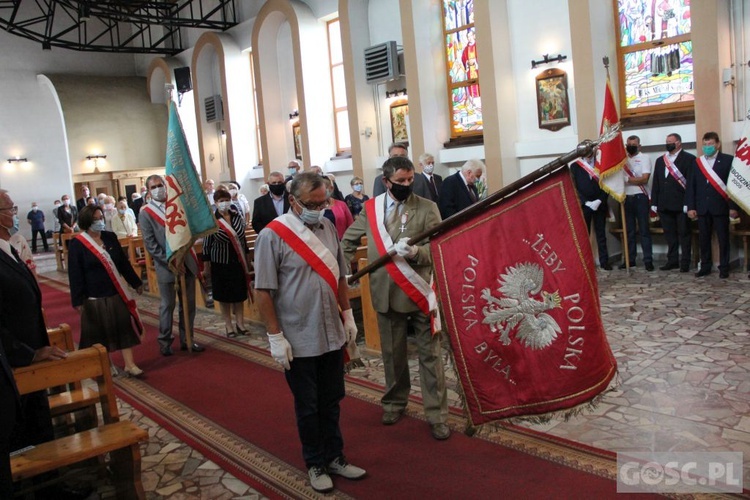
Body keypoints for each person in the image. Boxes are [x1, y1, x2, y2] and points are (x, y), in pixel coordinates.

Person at [254, 171, 366, 493]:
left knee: (332, 399)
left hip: (331, 331)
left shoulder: (329, 226)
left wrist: (348, 316)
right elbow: (263, 290)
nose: (320, 208)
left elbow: (341, 277)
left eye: (324, 201)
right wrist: (275, 336)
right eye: (312, 203)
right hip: (298, 335)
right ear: (293, 201)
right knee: (309, 404)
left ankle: (335, 456)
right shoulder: (272, 235)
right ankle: (315, 462)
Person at [342, 156, 450, 441]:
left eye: (409, 179)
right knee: (393, 356)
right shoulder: (371, 209)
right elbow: (348, 242)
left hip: (419, 291)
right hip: (386, 293)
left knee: (430, 356)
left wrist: (417, 253)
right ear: (386, 181)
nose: (406, 184)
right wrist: (337, 272)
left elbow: (437, 248)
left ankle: (437, 414)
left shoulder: (427, 208)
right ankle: (394, 403)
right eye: (400, 181)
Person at [0, 189, 68, 467]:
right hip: (15, 360)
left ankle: (50, 483)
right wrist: (26, 353)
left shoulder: (10, 248)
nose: (14, 214)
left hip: (32, 348)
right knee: (23, 434)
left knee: (39, 422)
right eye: (9, 209)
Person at [68, 206, 145, 377]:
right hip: (93, 295)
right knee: (99, 333)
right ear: (87, 221)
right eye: (96, 218)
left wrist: (136, 282)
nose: (100, 221)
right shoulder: (78, 244)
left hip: (115, 291)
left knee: (123, 328)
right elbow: (75, 274)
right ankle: (106, 365)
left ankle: (130, 364)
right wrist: (77, 300)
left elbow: (123, 264)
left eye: (101, 217)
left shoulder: (110, 237)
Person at [139, 175, 204, 356]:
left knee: (188, 305)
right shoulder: (146, 213)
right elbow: (151, 244)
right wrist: (171, 262)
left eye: (161, 185)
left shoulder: (176, 206)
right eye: (154, 187)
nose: (159, 189)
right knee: (167, 305)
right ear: (149, 191)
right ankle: (165, 342)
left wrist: (182, 258)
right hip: (166, 266)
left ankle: (188, 339)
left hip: (187, 263)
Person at [686, 132, 738, 279]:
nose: (707, 147)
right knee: (704, 239)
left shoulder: (728, 160)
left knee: (723, 239)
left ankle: (724, 267)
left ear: (718, 144)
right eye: (705, 144)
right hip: (702, 207)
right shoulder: (697, 163)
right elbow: (691, 186)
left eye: (710, 144)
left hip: (721, 206)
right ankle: (705, 266)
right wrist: (691, 207)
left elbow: (733, 186)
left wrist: (733, 207)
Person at [201, 188, 250, 338]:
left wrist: (248, 261)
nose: (224, 203)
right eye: (221, 201)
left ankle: (240, 324)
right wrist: (206, 267)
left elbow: (243, 239)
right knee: (225, 296)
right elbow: (206, 246)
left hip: (238, 261)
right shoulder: (212, 220)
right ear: (215, 203)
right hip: (220, 263)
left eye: (226, 200)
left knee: (239, 295)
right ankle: (229, 326)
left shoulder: (236, 215)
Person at [651, 132, 695, 272]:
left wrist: (689, 204)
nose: (668, 143)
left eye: (671, 141)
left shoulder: (689, 159)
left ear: (678, 143)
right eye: (667, 141)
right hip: (664, 204)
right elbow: (656, 182)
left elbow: (691, 185)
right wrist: (654, 202)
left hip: (681, 204)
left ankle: (685, 262)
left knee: (684, 234)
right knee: (669, 235)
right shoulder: (660, 160)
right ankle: (672, 260)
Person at [570, 147, 611, 270]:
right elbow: (574, 186)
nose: (587, 154)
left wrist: (600, 200)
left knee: (601, 234)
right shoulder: (575, 166)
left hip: (599, 203)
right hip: (584, 205)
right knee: (584, 235)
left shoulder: (601, 164)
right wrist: (585, 202)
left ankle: (604, 261)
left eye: (589, 151)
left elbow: (608, 184)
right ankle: (586, 263)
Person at [621, 135, 653, 271]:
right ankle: (630, 259)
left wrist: (627, 180)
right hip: (626, 198)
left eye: (633, 144)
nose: (631, 146)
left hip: (641, 197)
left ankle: (648, 260)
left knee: (644, 230)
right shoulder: (622, 160)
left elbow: (644, 179)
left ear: (639, 146)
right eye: (629, 144)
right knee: (629, 231)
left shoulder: (645, 158)